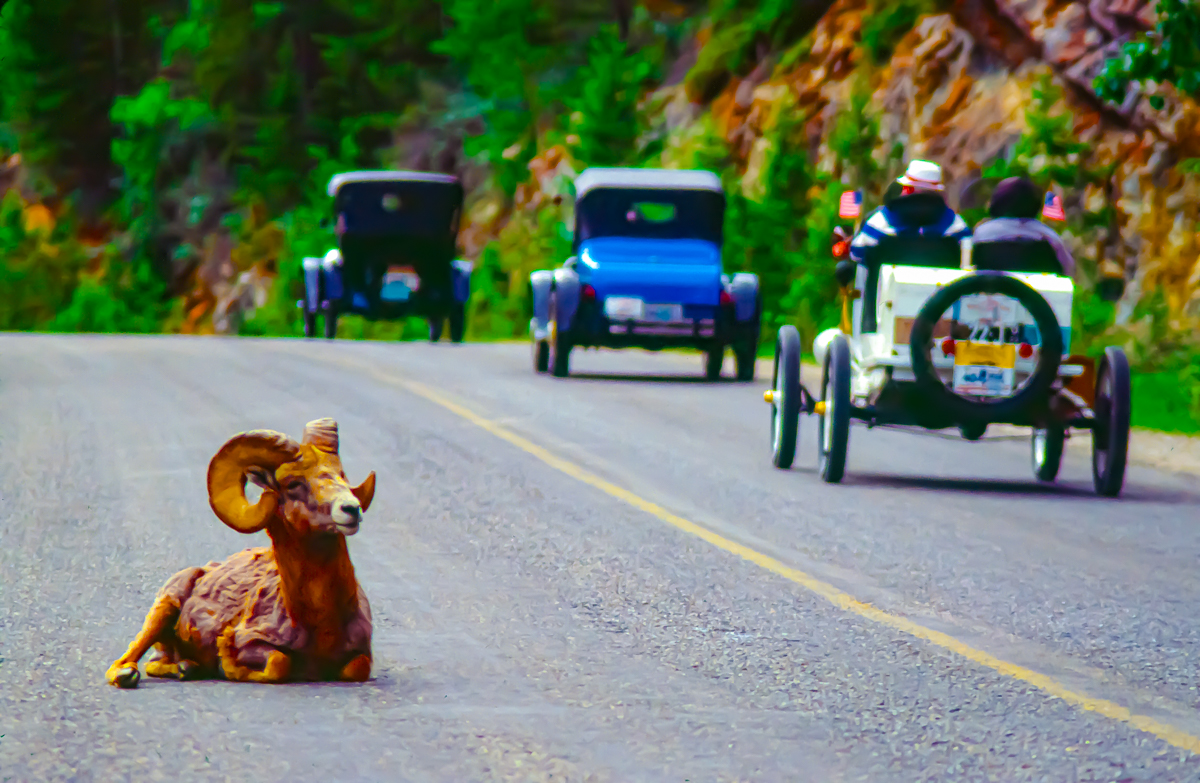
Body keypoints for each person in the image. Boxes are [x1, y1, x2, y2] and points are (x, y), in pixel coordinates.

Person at [848, 159, 971, 264]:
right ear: (937, 192)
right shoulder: (956, 225)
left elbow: (856, 254)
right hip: (944, 291)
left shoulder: (880, 221)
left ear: (907, 189)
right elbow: (967, 260)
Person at [971, 176, 1075, 277]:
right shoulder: (1050, 238)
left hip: (992, 293)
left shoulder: (982, 234)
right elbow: (1068, 272)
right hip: (1039, 294)